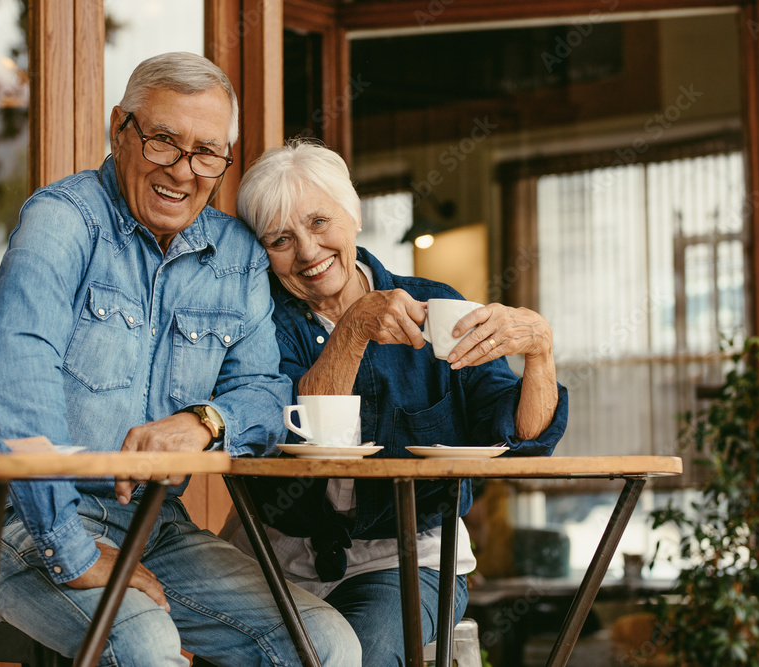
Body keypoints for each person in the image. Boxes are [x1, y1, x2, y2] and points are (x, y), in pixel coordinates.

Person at [0, 54, 360, 666]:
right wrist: (70, 550)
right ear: (120, 129)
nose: (183, 172)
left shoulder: (236, 255)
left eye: (207, 152)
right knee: (143, 639)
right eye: (163, 141)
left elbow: (266, 395)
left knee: (325, 644)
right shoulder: (62, 223)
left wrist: (205, 422)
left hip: (152, 525)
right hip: (8, 520)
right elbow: (17, 385)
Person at [227, 138, 569, 664]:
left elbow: (520, 438)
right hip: (273, 560)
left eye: (319, 223)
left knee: (358, 655)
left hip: (408, 561)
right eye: (280, 239)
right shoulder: (255, 324)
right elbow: (296, 436)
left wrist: (540, 350)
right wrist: (356, 326)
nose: (308, 252)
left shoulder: (437, 307)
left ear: (354, 213)